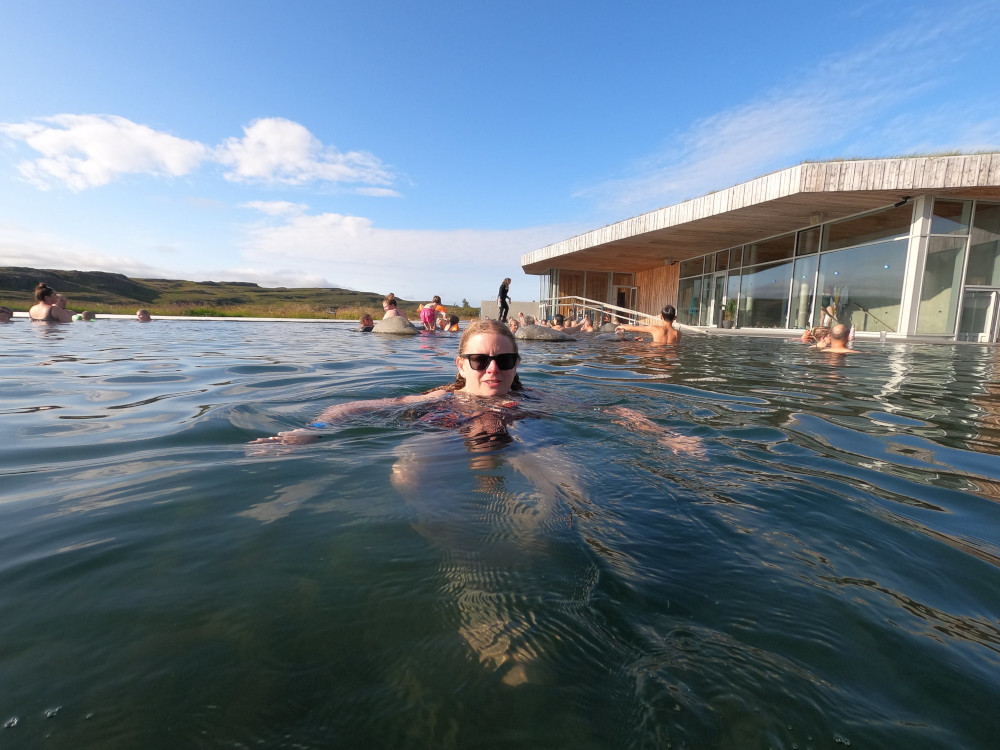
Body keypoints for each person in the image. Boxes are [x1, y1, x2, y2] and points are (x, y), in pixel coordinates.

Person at [615, 305, 680, 345]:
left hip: (655, 354)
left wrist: (621, 326)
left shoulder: (655, 329)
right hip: (670, 356)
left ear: (661, 317)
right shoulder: (678, 333)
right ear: (675, 318)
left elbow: (632, 328)